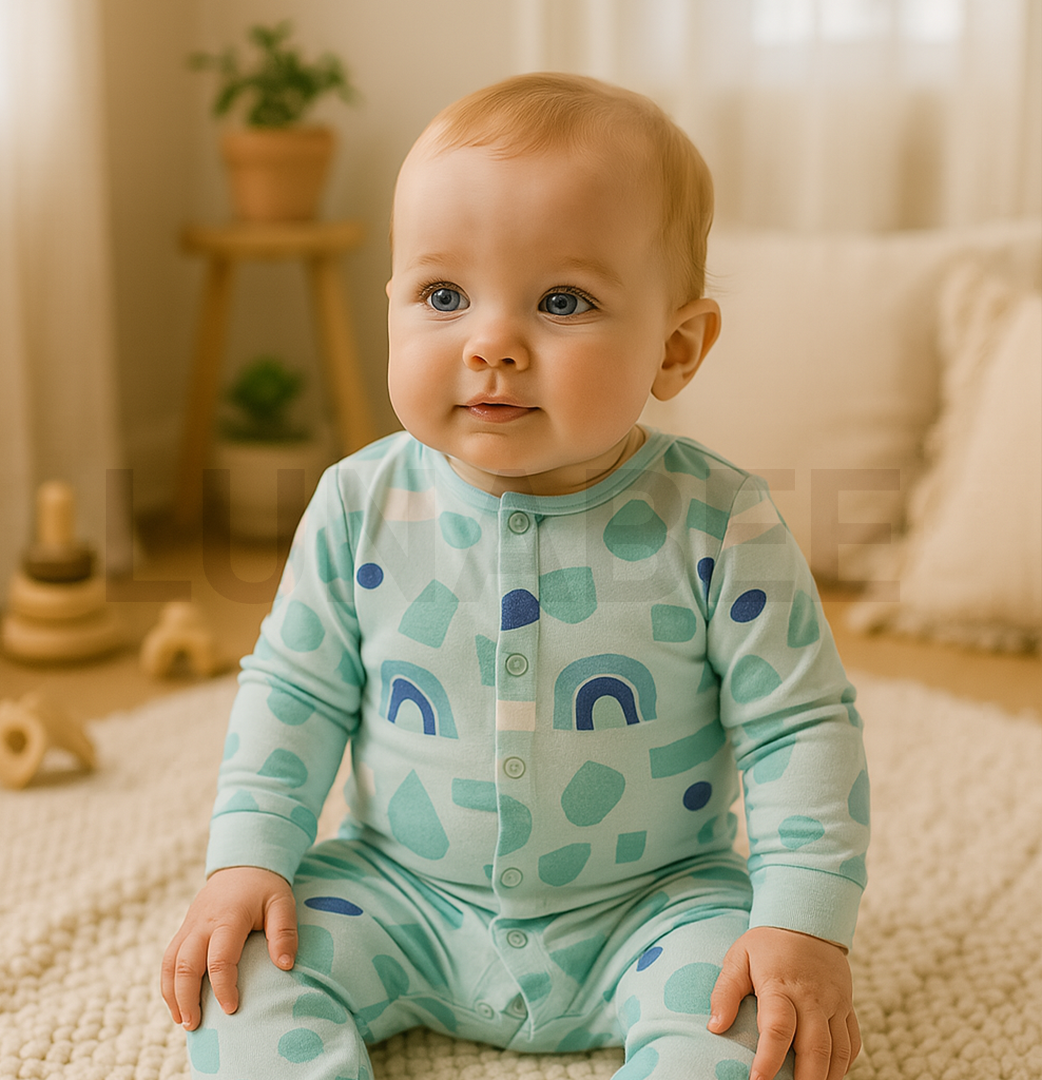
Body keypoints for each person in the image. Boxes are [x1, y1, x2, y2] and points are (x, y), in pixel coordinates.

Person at [162, 73, 868, 1080]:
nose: (490, 343)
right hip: (399, 893)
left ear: (675, 348)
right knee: (238, 978)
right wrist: (248, 858)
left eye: (562, 300)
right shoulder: (358, 504)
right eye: (443, 296)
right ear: (395, 303)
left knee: (756, 1027)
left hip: (655, 904)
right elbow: (294, 690)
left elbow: (799, 726)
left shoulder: (722, 521)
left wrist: (804, 922)